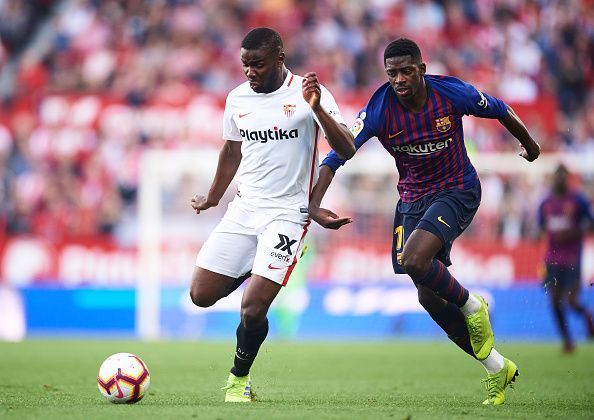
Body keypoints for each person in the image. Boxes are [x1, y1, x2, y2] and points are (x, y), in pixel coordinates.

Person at [309, 38, 541, 405]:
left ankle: (472, 306)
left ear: (422, 69)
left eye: (405, 71)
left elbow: (500, 109)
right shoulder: (379, 109)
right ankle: (497, 368)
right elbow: (338, 154)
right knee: (429, 298)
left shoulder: (451, 94)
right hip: (413, 201)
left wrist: (531, 145)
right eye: (391, 73)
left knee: (414, 260)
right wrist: (315, 203)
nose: (398, 79)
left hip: (458, 190)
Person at [188, 27, 355, 402]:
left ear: (280, 58)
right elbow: (231, 151)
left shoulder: (310, 93)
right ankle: (258, 265)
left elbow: (346, 147)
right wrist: (213, 198)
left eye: (258, 64)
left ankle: (237, 380)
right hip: (244, 210)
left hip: (288, 215)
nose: (250, 72)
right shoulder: (237, 99)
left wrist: (315, 109)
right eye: (245, 65)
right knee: (200, 295)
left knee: (252, 309)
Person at [537, 163, 594, 353]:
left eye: (563, 175)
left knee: (570, 301)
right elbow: (541, 227)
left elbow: (589, 225)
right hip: (552, 260)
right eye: (557, 175)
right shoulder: (546, 203)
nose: (560, 178)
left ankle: (586, 316)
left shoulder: (578, 200)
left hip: (572, 259)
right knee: (553, 301)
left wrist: (572, 233)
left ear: (567, 178)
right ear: (554, 178)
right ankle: (568, 341)